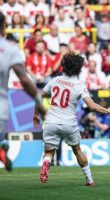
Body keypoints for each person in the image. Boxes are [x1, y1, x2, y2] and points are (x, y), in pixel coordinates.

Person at [33, 52, 110, 186]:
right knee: (77, 150)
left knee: (49, 152)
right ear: (79, 69)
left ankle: (46, 163)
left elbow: (39, 95)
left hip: (51, 122)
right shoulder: (79, 85)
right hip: (68, 123)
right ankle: (89, 180)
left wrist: (36, 115)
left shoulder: (54, 80)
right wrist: (107, 110)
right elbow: (92, 105)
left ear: (63, 66)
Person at [0, 12, 46, 172]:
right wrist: (38, 102)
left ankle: (1, 148)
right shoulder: (10, 50)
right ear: (3, 27)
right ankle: (1, 148)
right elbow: (25, 80)